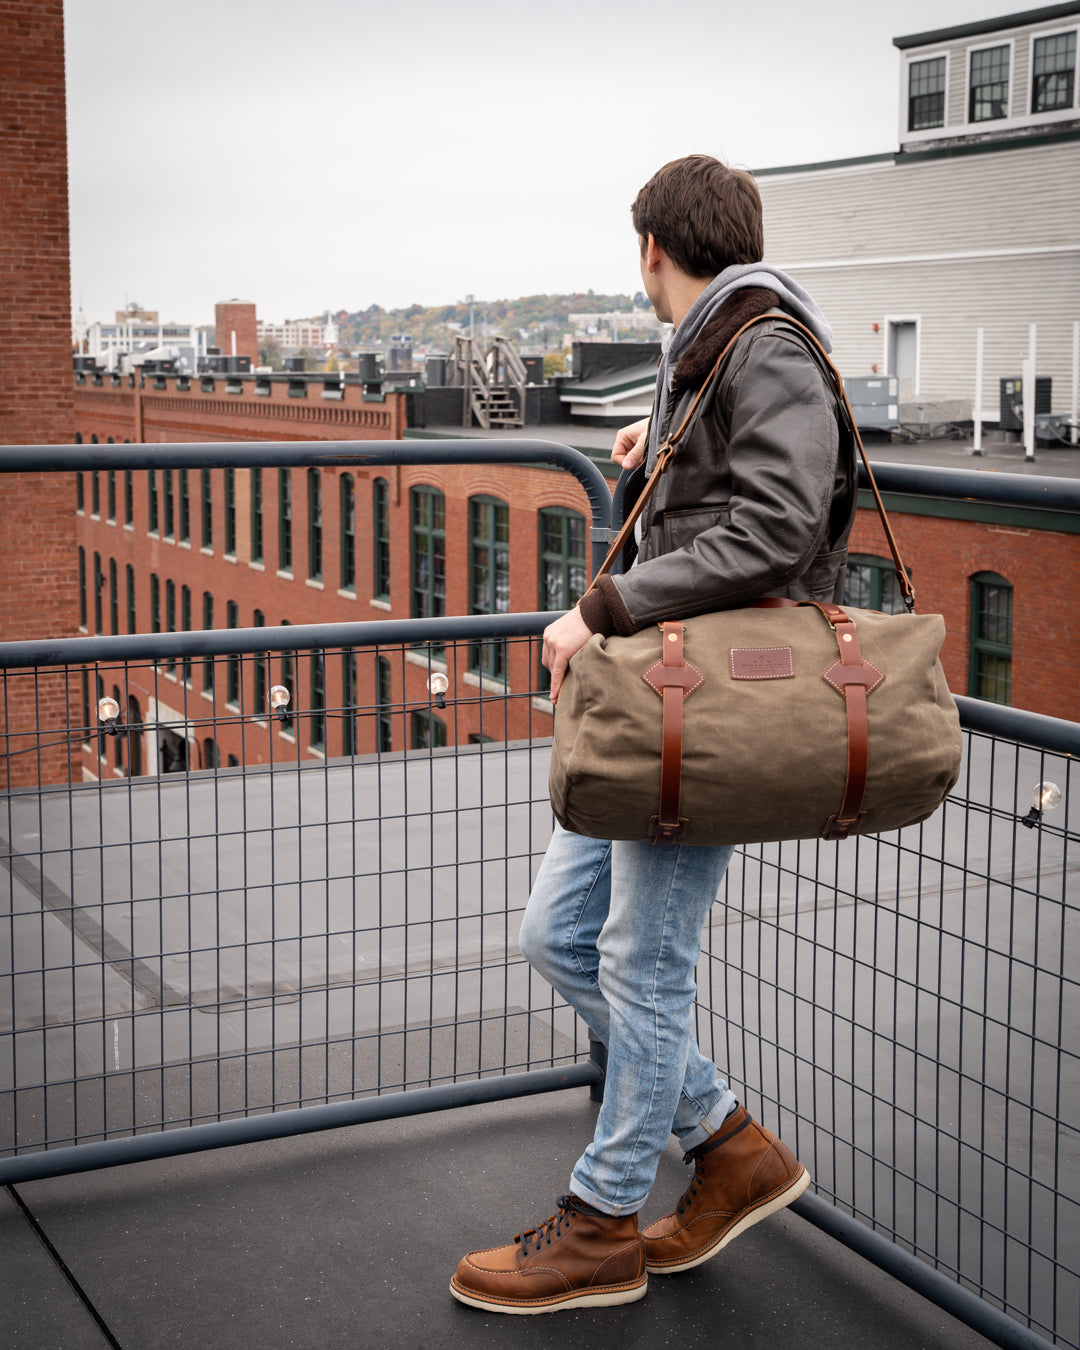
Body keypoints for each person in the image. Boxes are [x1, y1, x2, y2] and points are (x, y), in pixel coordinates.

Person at [450, 153, 857, 1315]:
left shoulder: (763, 343)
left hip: (710, 710)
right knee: (557, 932)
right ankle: (727, 1143)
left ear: (651, 252)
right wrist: (662, 435)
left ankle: (605, 1219)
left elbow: (778, 526)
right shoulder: (712, 357)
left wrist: (603, 605)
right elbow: (738, 483)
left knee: (643, 957)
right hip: (671, 708)